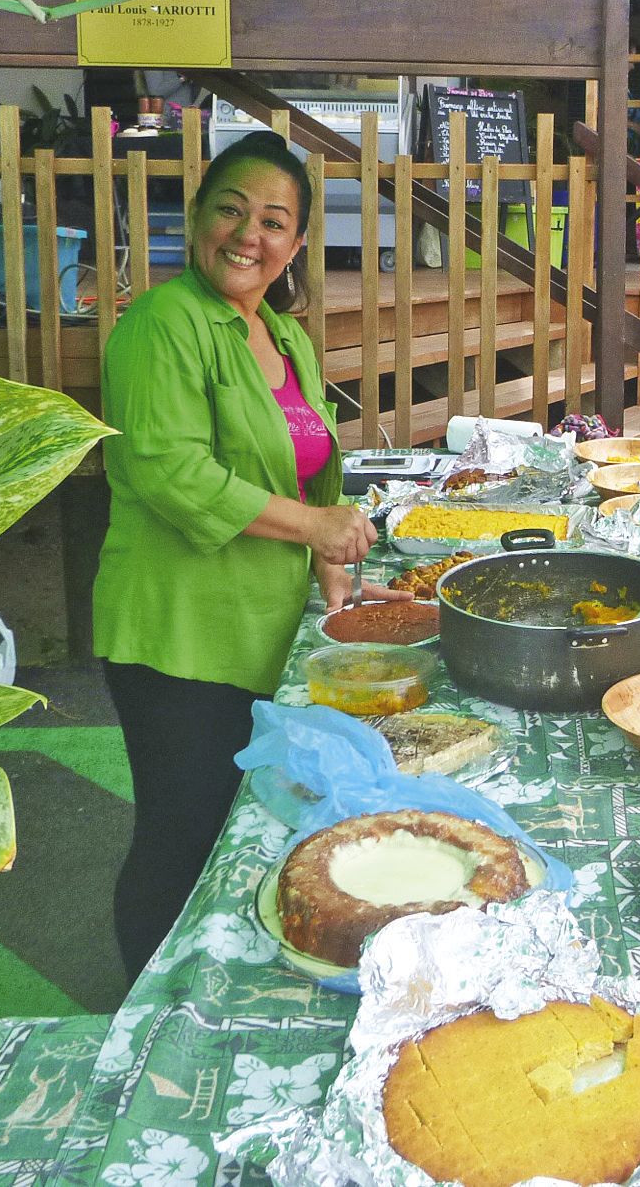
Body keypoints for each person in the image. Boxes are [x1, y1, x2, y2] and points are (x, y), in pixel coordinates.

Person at [94, 130, 410, 978]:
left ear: (297, 244)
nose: (248, 234)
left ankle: (206, 981)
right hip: (180, 633)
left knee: (237, 823)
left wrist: (330, 566)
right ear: (195, 218)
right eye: (230, 210)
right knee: (181, 829)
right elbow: (165, 470)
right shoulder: (161, 325)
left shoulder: (282, 335)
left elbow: (303, 471)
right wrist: (312, 529)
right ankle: (141, 1007)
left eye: (273, 221)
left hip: (261, 629)